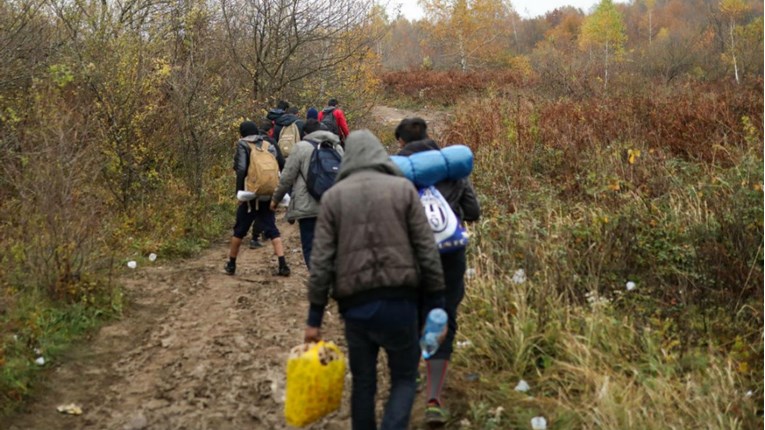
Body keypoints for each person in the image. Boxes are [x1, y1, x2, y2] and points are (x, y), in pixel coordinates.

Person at [304, 130, 445, 430]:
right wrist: (436, 303)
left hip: (356, 308)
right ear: (381, 154)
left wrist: (314, 316)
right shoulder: (403, 189)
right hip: (401, 302)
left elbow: (321, 262)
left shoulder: (333, 198)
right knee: (405, 378)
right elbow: (426, 249)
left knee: (364, 384)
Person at [394, 118, 481, 427]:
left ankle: (411, 374)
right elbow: (473, 212)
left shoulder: (392, 173)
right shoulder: (451, 169)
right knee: (444, 316)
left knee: (411, 311)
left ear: (400, 143)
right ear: (429, 137)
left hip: (409, 256)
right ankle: (434, 399)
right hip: (449, 257)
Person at [270, 119, 343, 269]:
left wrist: (276, 199)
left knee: (310, 247)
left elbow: (286, 177)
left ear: (305, 133)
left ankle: (319, 283)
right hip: (334, 205)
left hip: (308, 207)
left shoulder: (300, 147)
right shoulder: (337, 147)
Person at [225, 121, 290, 277]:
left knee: (240, 230)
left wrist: (239, 192)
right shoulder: (268, 145)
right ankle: (282, 264)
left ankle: (232, 264)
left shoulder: (243, 145)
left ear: (242, 133)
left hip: (250, 195)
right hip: (267, 193)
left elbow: (241, 169)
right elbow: (281, 164)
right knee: (271, 227)